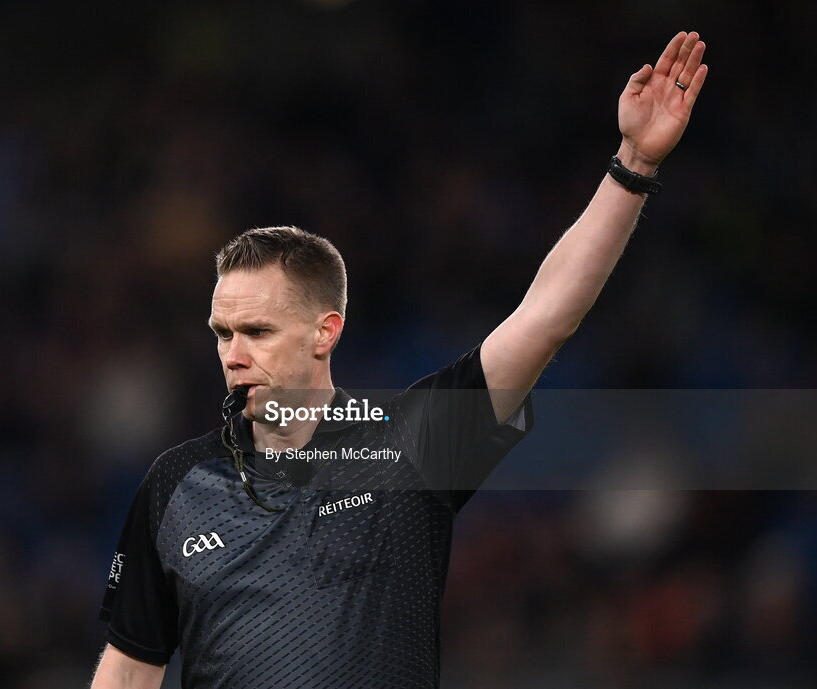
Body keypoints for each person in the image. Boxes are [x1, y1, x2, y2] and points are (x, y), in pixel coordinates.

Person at [90, 31, 708, 689]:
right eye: (222, 333)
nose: (233, 355)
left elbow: (545, 317)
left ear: (323, 332)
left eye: (258, 331)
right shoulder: (175, 485)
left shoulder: (409, 447)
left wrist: (633, 161)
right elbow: (128, 670)